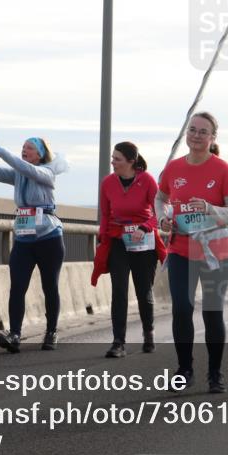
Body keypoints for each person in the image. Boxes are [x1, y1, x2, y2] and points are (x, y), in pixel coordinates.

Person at [156, 112, 228, 394]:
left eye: (203, 132)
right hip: (181, 248)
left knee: (212, 313)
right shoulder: (174, 168)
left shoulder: (222, 169)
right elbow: (160, 197)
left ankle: (215, 373)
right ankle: (184, 370)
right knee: (182, 309)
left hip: (216, 251)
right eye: (192, 130)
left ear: (212, 138)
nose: (196, 135)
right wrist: (162, 219)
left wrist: (210, 209)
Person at [0, 132, 67, 354]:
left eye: (29, 147)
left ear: (39, 155)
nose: (24, 150)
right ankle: (15, 334)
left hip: (49, 237)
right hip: (23, 237)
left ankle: (51, 332)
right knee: (17, 287)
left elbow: (25, 167)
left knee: (50, 286)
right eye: (23, 146)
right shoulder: (19, 173)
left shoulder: (46, 173)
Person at [94, 142, 166, 358]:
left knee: (144, 291)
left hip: (144, 241)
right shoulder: (107, 183)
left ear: (131, 162)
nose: (113, 162)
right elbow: (106, 214)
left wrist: (145, 228)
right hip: (119, 241)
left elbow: (159, 212)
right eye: (112, 158)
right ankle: (118, 342)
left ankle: (148, 332)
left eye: (117, 159)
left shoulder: (147, 180)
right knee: (119, 291)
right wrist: (103, 238)